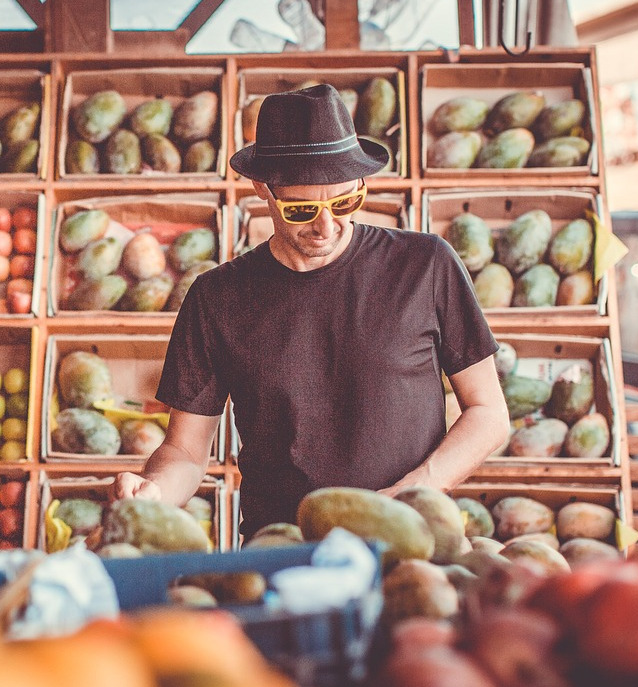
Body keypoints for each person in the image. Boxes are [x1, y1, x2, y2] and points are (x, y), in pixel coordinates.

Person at [113, 84, 510, 538]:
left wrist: (413, 492)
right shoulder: (217, 297)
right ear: (263, 188)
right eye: (301, 208)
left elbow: (488, 412)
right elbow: (185, 450)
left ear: (362, 183)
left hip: (411, 539)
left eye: (344, 202)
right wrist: (154, 493)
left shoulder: (425, 265)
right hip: (282, 546)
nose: (325, 226)